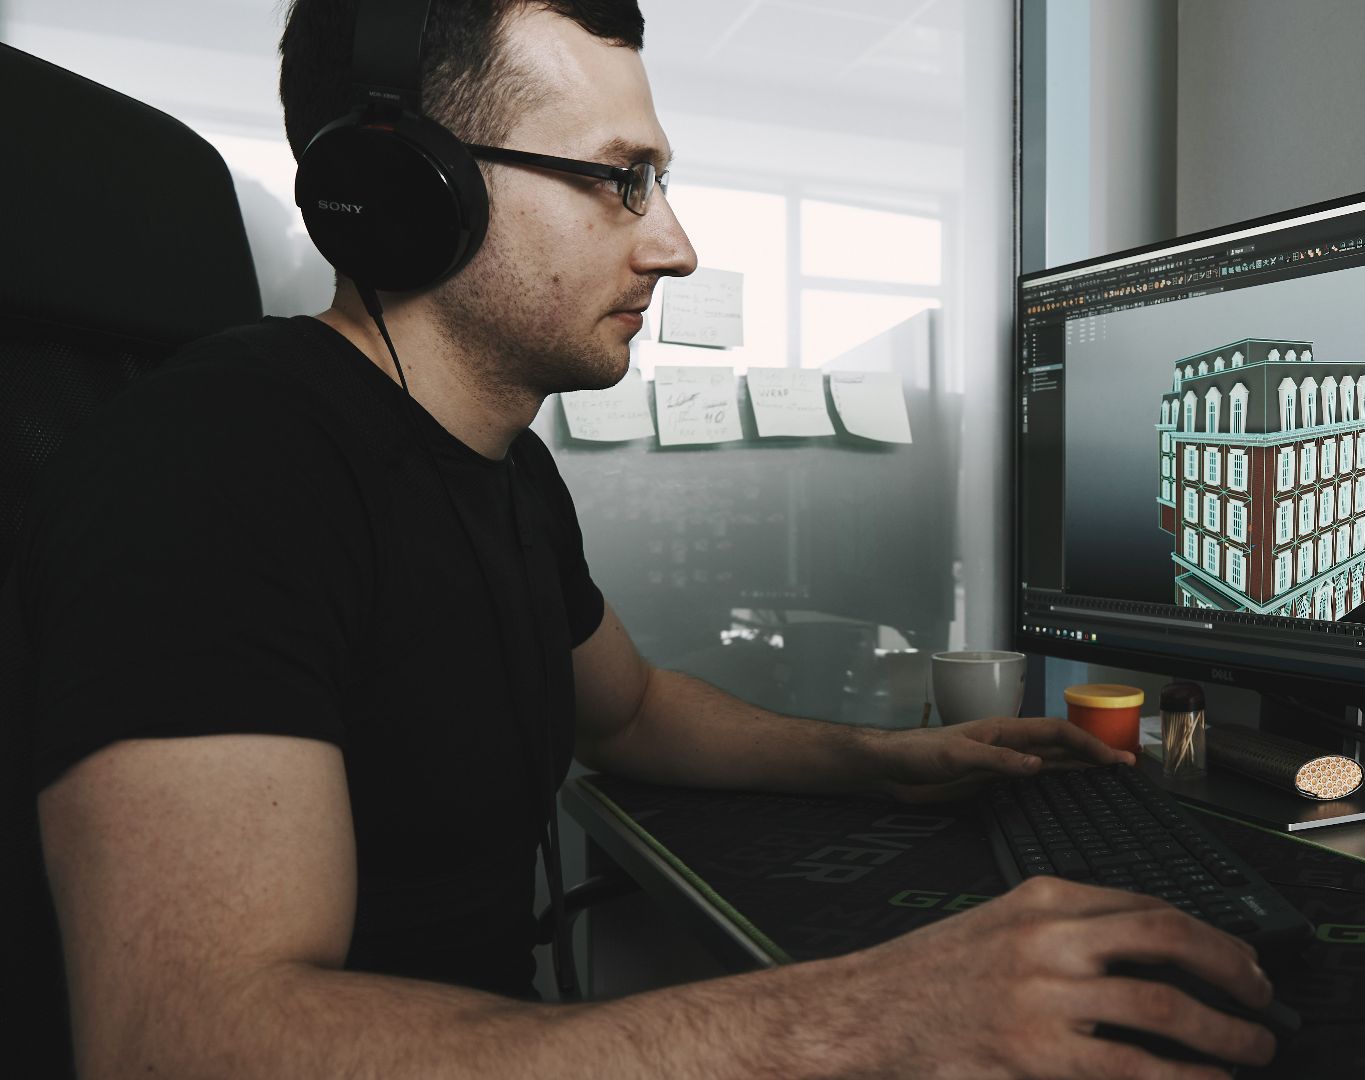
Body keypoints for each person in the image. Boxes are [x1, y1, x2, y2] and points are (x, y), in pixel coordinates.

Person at [10, 1, 1280, 1076]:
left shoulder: (508, 476)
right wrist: (859, 1017)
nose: (673, 245)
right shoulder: (225, 461)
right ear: (410, 188)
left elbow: (632, 713)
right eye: (622, 180)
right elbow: (180, 1035)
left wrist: (893, 758)